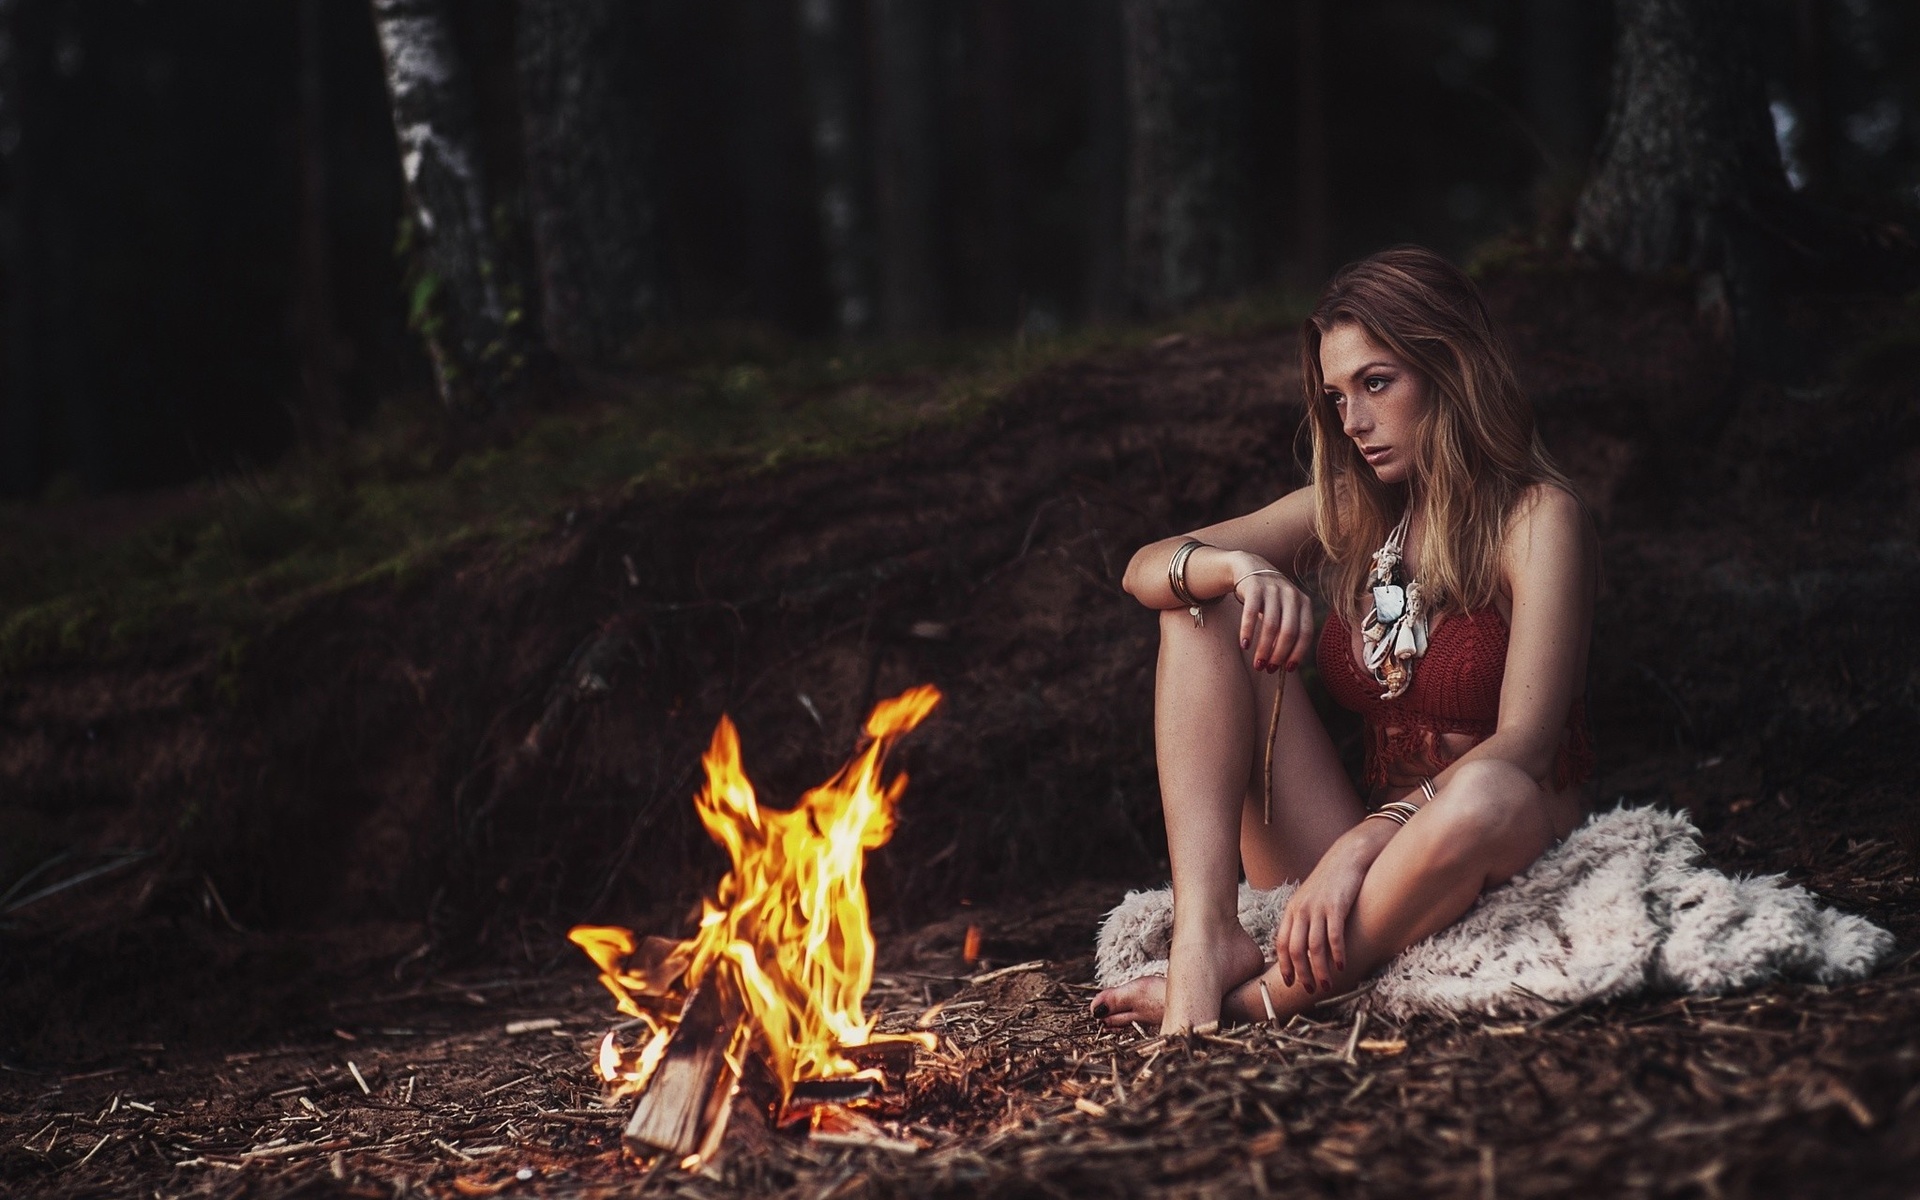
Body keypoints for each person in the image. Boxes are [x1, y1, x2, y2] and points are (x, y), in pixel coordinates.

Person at [1090, 246, 1596, 1034]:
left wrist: (1369, 839)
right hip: (1364, 858)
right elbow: (1143, 570)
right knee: (1200, 608)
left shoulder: (1537, 518)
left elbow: (1527, 745)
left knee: (1489, 794)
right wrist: (1240, 568)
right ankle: (1205, 937)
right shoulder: (1357, 510)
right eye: (1335, 395)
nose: (1353, 421)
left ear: (1450, 369)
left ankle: (1253, 1006)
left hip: (1490, 844)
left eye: (1377, 383)